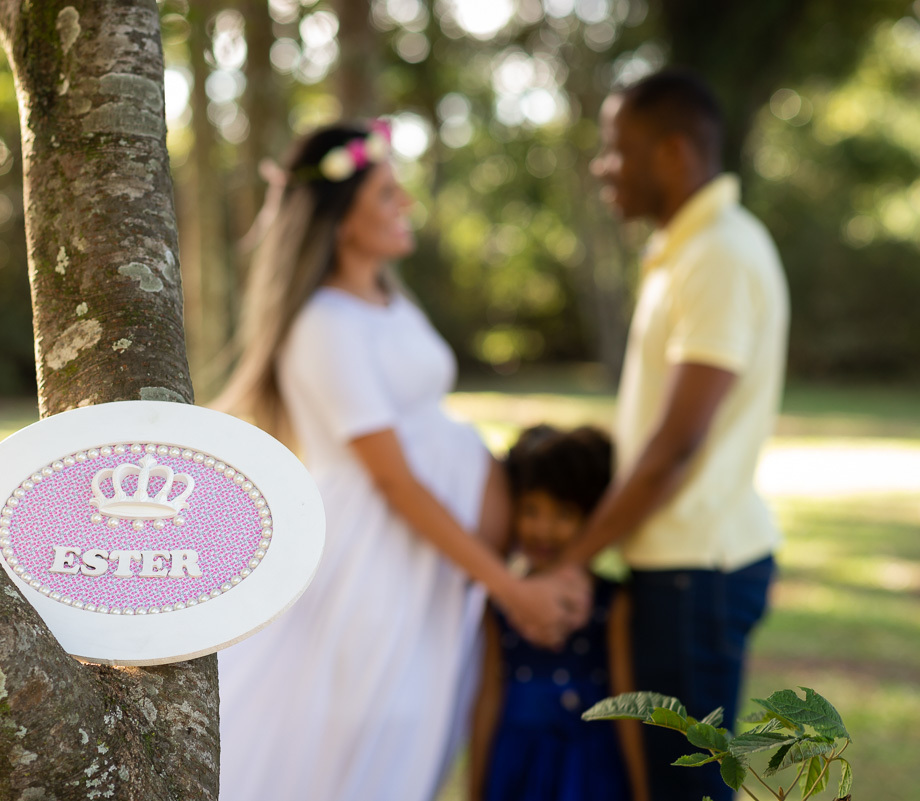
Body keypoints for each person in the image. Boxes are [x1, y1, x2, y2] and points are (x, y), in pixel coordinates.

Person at [214, 121, 590, 801]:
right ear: (343, 218)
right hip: (375, 566)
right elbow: (390, 478)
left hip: (426, 567)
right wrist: (509, 589)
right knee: (370, 739)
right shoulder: (325, 323)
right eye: (387, 194)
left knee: (413, 744)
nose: (405, 204)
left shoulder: (389, 302)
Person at [557, 69, 789, 800]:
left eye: (616, 149)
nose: (603, 166)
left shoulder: (718, 252)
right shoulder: (688, 248)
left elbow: (678, 443)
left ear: (674, 153)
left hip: (698, 575)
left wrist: (574, 557)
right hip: (682, 569)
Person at [470, 425, 648, 801]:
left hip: (591, 766)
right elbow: (487, 698)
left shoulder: (612, 603)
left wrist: (640, 788)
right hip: (516, 760)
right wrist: (475, 788)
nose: (544, 529)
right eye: (531, 510)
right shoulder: (498, 603)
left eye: (564, 513)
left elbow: (626, 698)